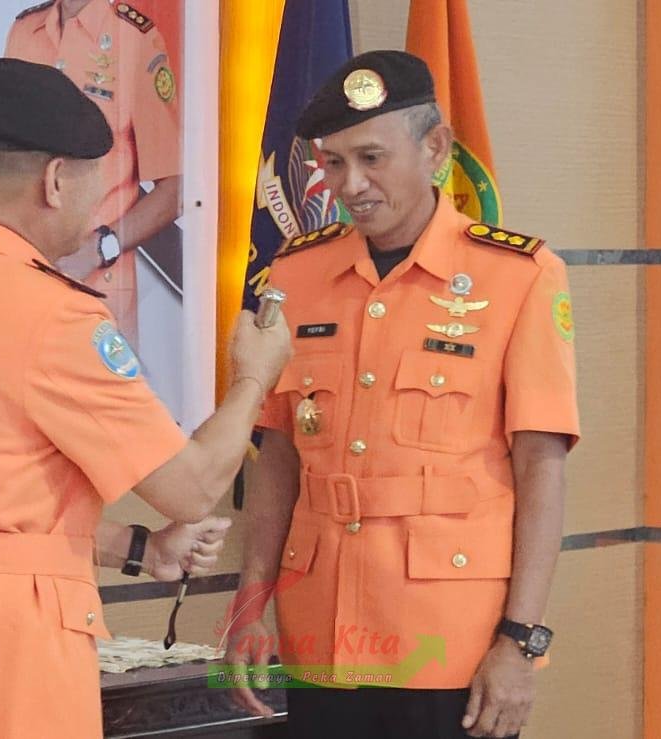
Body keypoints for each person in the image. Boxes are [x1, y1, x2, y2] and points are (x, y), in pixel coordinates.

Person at [0, 58, 293, 739]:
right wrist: (254, 377)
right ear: (55, 181)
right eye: (94, 179)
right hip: (4, 663)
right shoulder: (53, 317)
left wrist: (140, 549)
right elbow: (192, 487)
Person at [221, 51, 580, 739]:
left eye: (372, 158)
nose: (350, 185)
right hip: (318, 631)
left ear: (435, 148)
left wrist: (520, 639)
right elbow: (280, 457)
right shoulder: (297, 273)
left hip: (449, 640)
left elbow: (541, 467)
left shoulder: (519, 275)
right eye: (333, 163)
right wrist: (251, 600)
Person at [4, 0, 184, 346]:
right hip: (23, 283)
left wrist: (102, 246)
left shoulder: (133, 38)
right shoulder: (24, 31)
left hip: (98, 293)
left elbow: (176, 189)